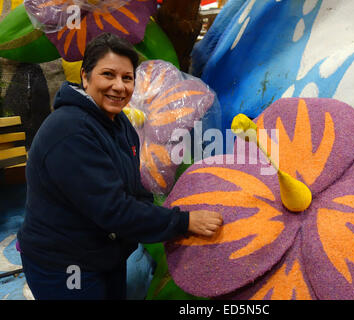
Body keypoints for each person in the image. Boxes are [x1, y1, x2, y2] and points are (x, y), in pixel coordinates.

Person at [17, 33, 223, 300]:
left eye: (127, 78)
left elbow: (133, 188)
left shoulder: (118, 122)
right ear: (85, 76)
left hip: (105, 253)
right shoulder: (70, 131)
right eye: (108, 75)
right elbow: (113, 209)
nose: (119, 86)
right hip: (66, 264)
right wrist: (183, 222)